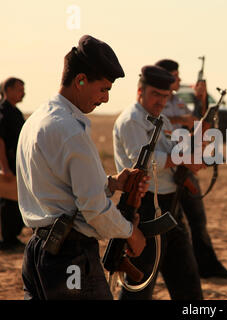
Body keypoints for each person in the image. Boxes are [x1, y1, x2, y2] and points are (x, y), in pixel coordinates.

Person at [16, 35, 148, 300]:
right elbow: (94, 208)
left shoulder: (38, 119)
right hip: (70, 257)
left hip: (38, 252)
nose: (106, 99)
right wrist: (131, 233)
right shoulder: (70, 131)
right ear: (80, 80)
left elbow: (57, 186)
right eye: (103, 89)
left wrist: (112, 184)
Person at [113, 65, 204, 300]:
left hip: (169, 204)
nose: (161, 101)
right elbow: (142, 162)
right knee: (141, 282)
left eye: (166, 96)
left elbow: (171, 149)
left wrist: (193, 147)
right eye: (156, 94)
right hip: (143, 206)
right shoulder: (132, 120)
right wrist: (182, 158)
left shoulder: (161, 119)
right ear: (140, 90)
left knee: (186, 277)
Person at [155, 59, 227, 279]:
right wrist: (182, 118)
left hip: (183, 164)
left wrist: (201, 100)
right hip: (165, 170)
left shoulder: (176, 100)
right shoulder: (156, 101)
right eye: (176, 75)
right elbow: (162, 122)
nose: (180, 79)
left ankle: (207, 266)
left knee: (197, 220)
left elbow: (198, 122)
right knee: (166, 228)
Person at [0, 77, 26, 250]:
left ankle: (12, 237)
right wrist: (4, 167)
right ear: (7, 90)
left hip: (16, 165)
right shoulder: (3, 112)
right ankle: (6, 239)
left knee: (15, 202)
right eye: (19, 89)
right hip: (6, 166)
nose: (23, 93)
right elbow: (0, 140)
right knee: (7, 204)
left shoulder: (15, 112)